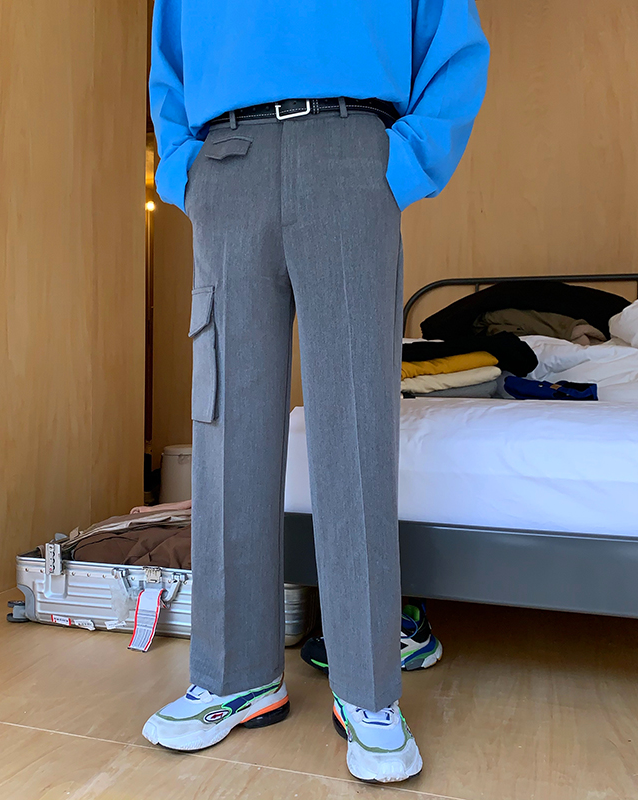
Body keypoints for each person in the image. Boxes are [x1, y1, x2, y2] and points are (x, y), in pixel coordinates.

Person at [142, 0, 490, 783]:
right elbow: (169, 55)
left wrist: (405, 161)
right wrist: (182, 165)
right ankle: (234, 678)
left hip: (352, 154)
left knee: (356, 429)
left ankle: (368, 691)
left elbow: (454, 42)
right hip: (226, 162)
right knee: (227, 425)